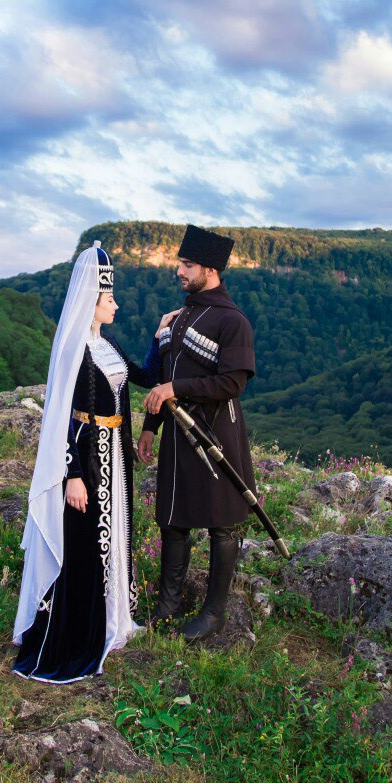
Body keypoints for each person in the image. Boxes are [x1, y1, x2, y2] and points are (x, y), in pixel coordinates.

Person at [13, 241, 159, 682]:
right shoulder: (75, 349)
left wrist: (161, 336)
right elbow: (61, 417)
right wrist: (72, 475)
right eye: (108, 299)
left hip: (114, 456)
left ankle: (114, 618)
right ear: (91, 301)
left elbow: (144, 375)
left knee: (113, 535)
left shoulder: (107, 344)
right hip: (88, 458)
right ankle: (80, 628)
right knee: (85, 543)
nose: (115, 305)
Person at [138, 224, 259, 642]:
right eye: (180, 263)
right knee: (173, 520)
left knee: (221, 525)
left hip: (216, 435)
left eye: (187, 265)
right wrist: (150, 427)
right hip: (176, 435)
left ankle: (213, 613)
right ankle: (167, 606)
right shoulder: (179, 317)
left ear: (209, 269)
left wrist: (177, 388)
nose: (179, 271)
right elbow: (160, 376)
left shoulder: (232, 321)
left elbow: (232, 383)